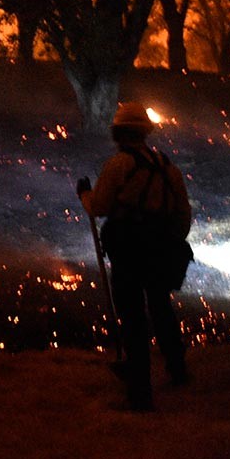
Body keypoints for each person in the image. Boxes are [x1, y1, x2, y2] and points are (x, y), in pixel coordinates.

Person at [77, 101, 192, 410]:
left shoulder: (118, 166)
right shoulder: (168, 167)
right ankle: (177, 369)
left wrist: (84, 194)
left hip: (128, 250)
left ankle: (140, 390)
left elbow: (99, 207)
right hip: (159, 249)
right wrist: (170, 241)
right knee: (161, 308)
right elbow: (183, 215)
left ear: (118, 133)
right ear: (145, 132)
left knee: (132, 316)